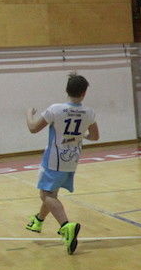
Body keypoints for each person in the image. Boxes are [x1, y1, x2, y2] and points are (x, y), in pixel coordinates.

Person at [25, 73, 99, 254]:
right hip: (72, 160)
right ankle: (38, 220)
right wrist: (81, 135)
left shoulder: (55, 109)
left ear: (66, 90)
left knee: (46, 195)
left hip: (53, 159)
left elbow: (33, 128)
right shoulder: (89, 112)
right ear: (84, 93)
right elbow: (95, 136)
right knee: (52, 193)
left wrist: (28, 114)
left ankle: (66, 225)